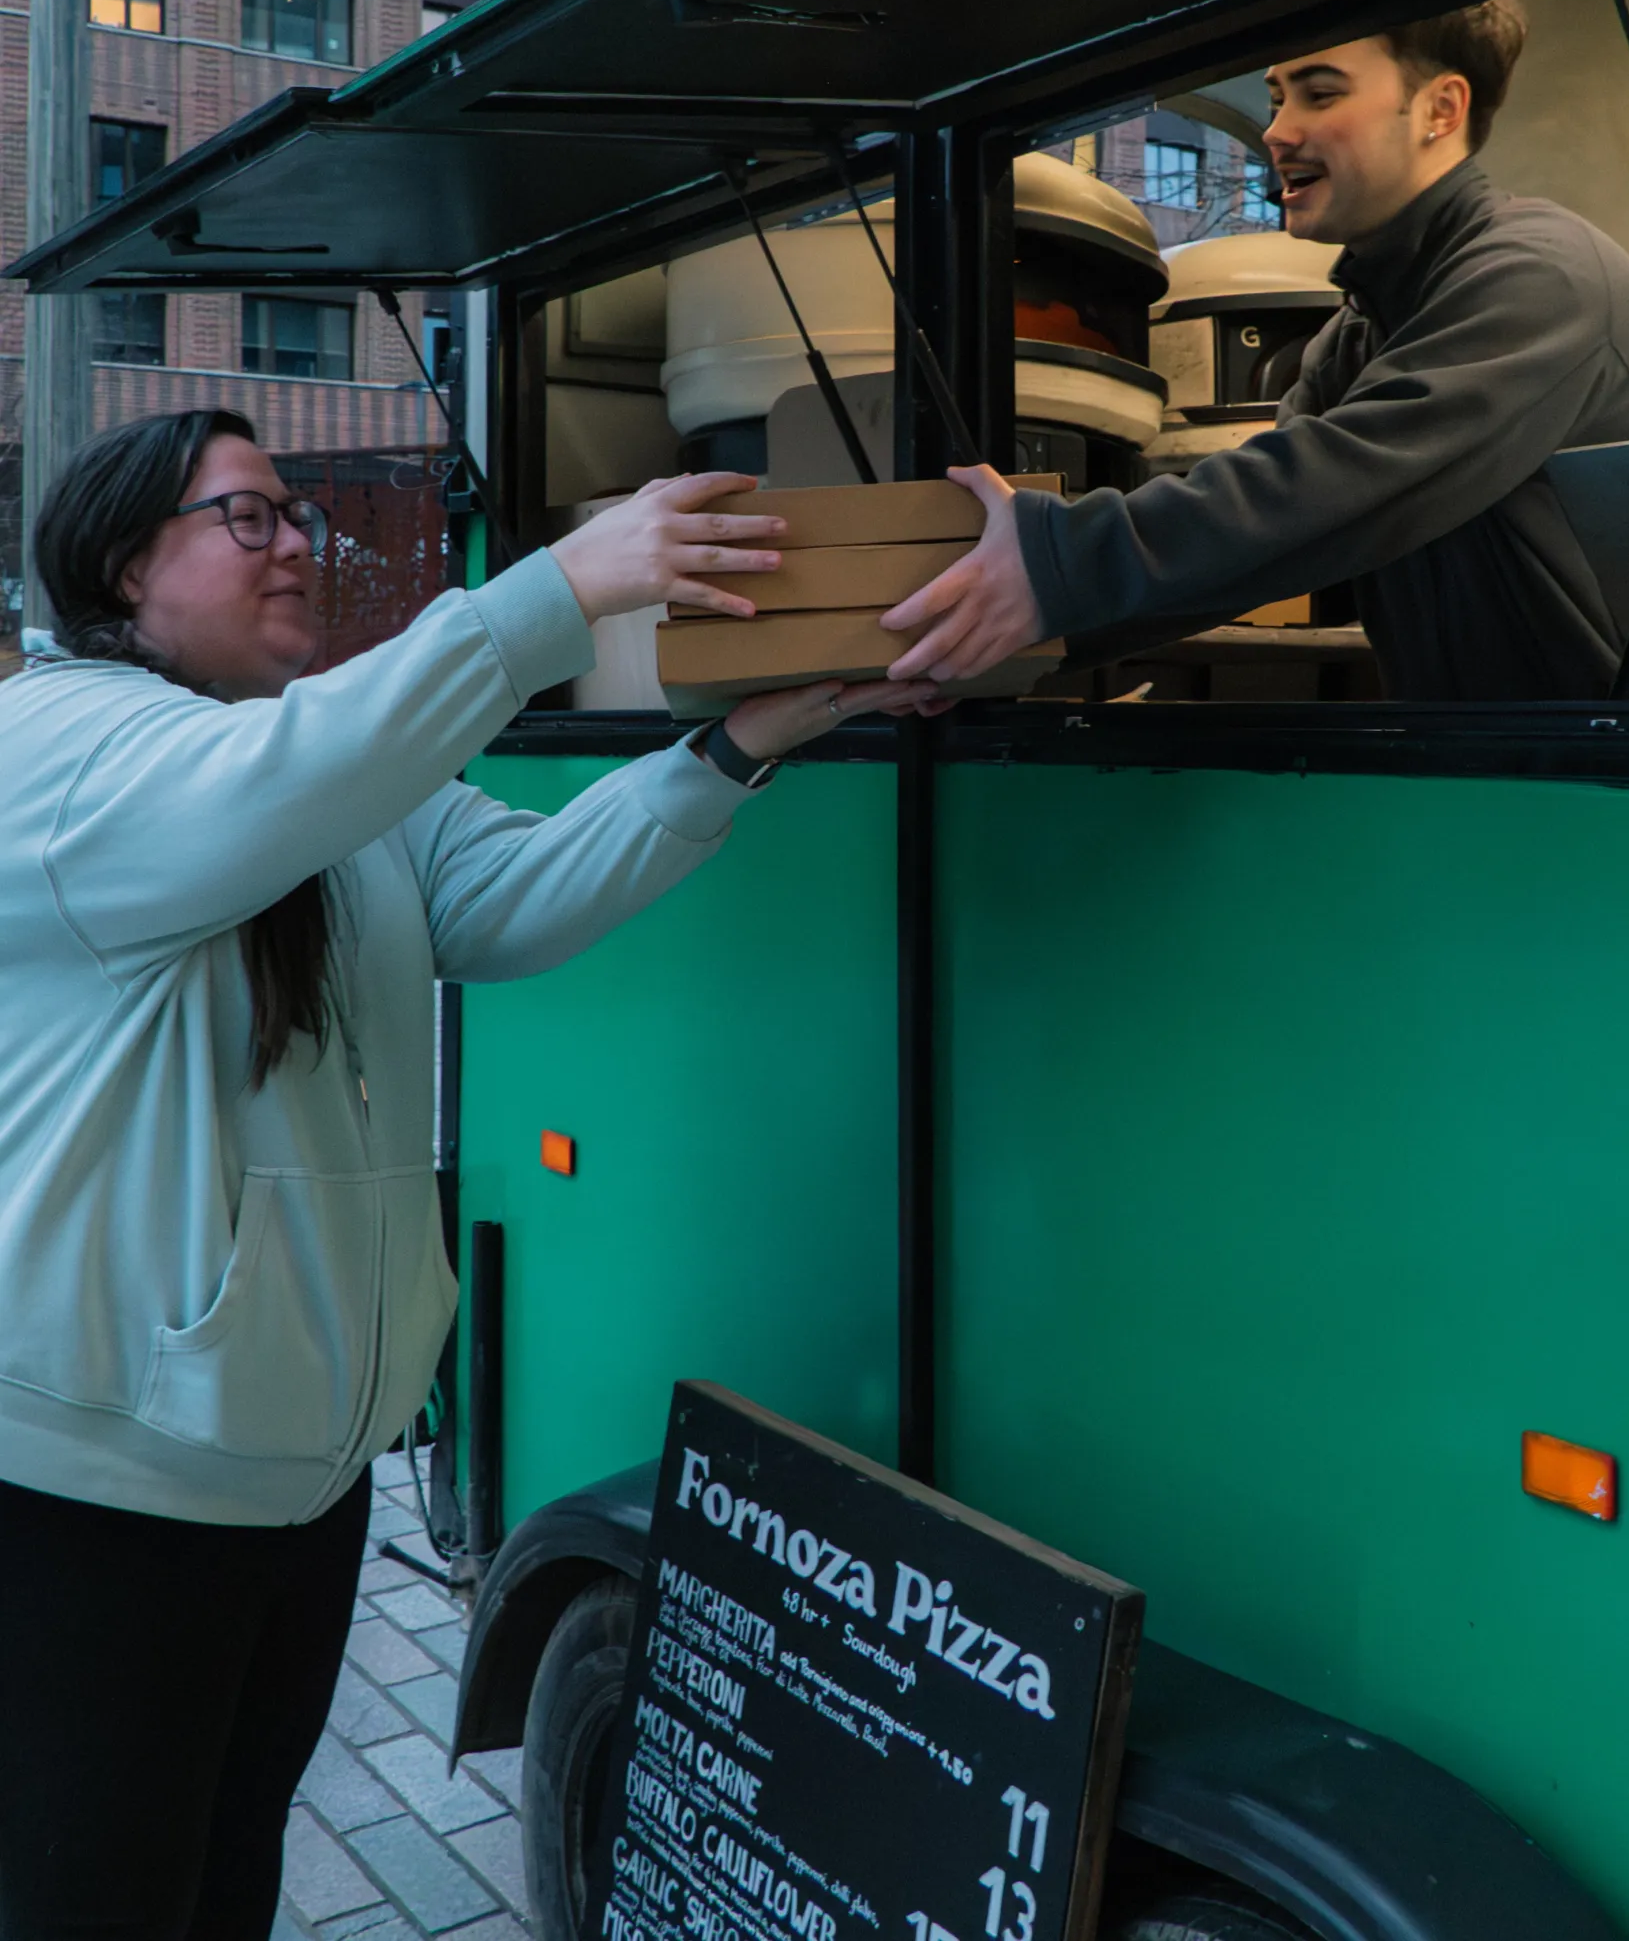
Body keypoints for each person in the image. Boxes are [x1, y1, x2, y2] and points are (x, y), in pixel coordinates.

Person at [0, 408, 935, 1940]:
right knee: (89, 1894)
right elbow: (283, 784)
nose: (300, 541)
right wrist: (560, 589)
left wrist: (743, 739)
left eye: (301, 512)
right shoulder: (63, 749)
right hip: (96, 1493)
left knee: (228, 1865)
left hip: (290, 1476)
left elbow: (513, 898)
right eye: (249, 516)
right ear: (123, 564)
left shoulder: (313, 774)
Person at [883, 4, 1629, 700]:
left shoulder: (1540, 272)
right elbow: (1254, 550)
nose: (1278, 132)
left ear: (1440, 110)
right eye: (1277, 99)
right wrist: (984, 659)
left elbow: (1321, 491)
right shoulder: (1356, 332)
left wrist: (1055, 558)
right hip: (1499, 780)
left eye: (1320, 93)